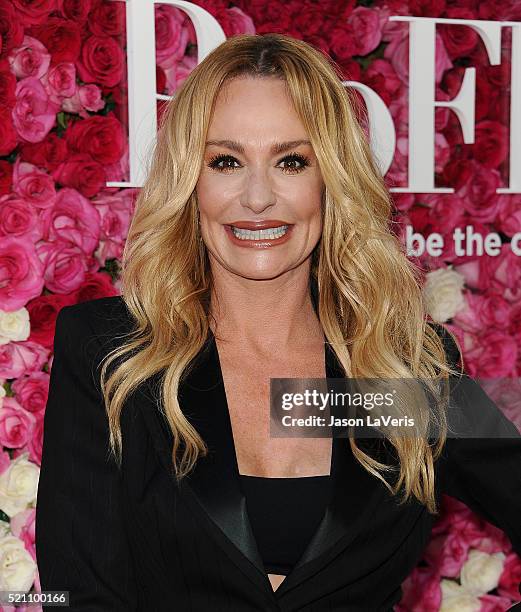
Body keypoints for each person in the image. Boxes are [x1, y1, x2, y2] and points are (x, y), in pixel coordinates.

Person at [35, 33, 521, 611]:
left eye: (291, 161)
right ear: (191, 182)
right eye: (226, 161)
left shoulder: (407, 366)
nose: (258, 196)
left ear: (330, 181)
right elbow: (81, 594)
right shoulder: (111, 352)